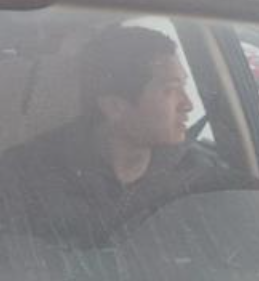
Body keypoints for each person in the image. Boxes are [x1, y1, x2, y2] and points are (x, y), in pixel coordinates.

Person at [4, 25, 224, 242]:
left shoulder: (197, 173)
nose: (188, 104)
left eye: (183, 86)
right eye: (170, 90)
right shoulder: (20, 182)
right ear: (115, 107)